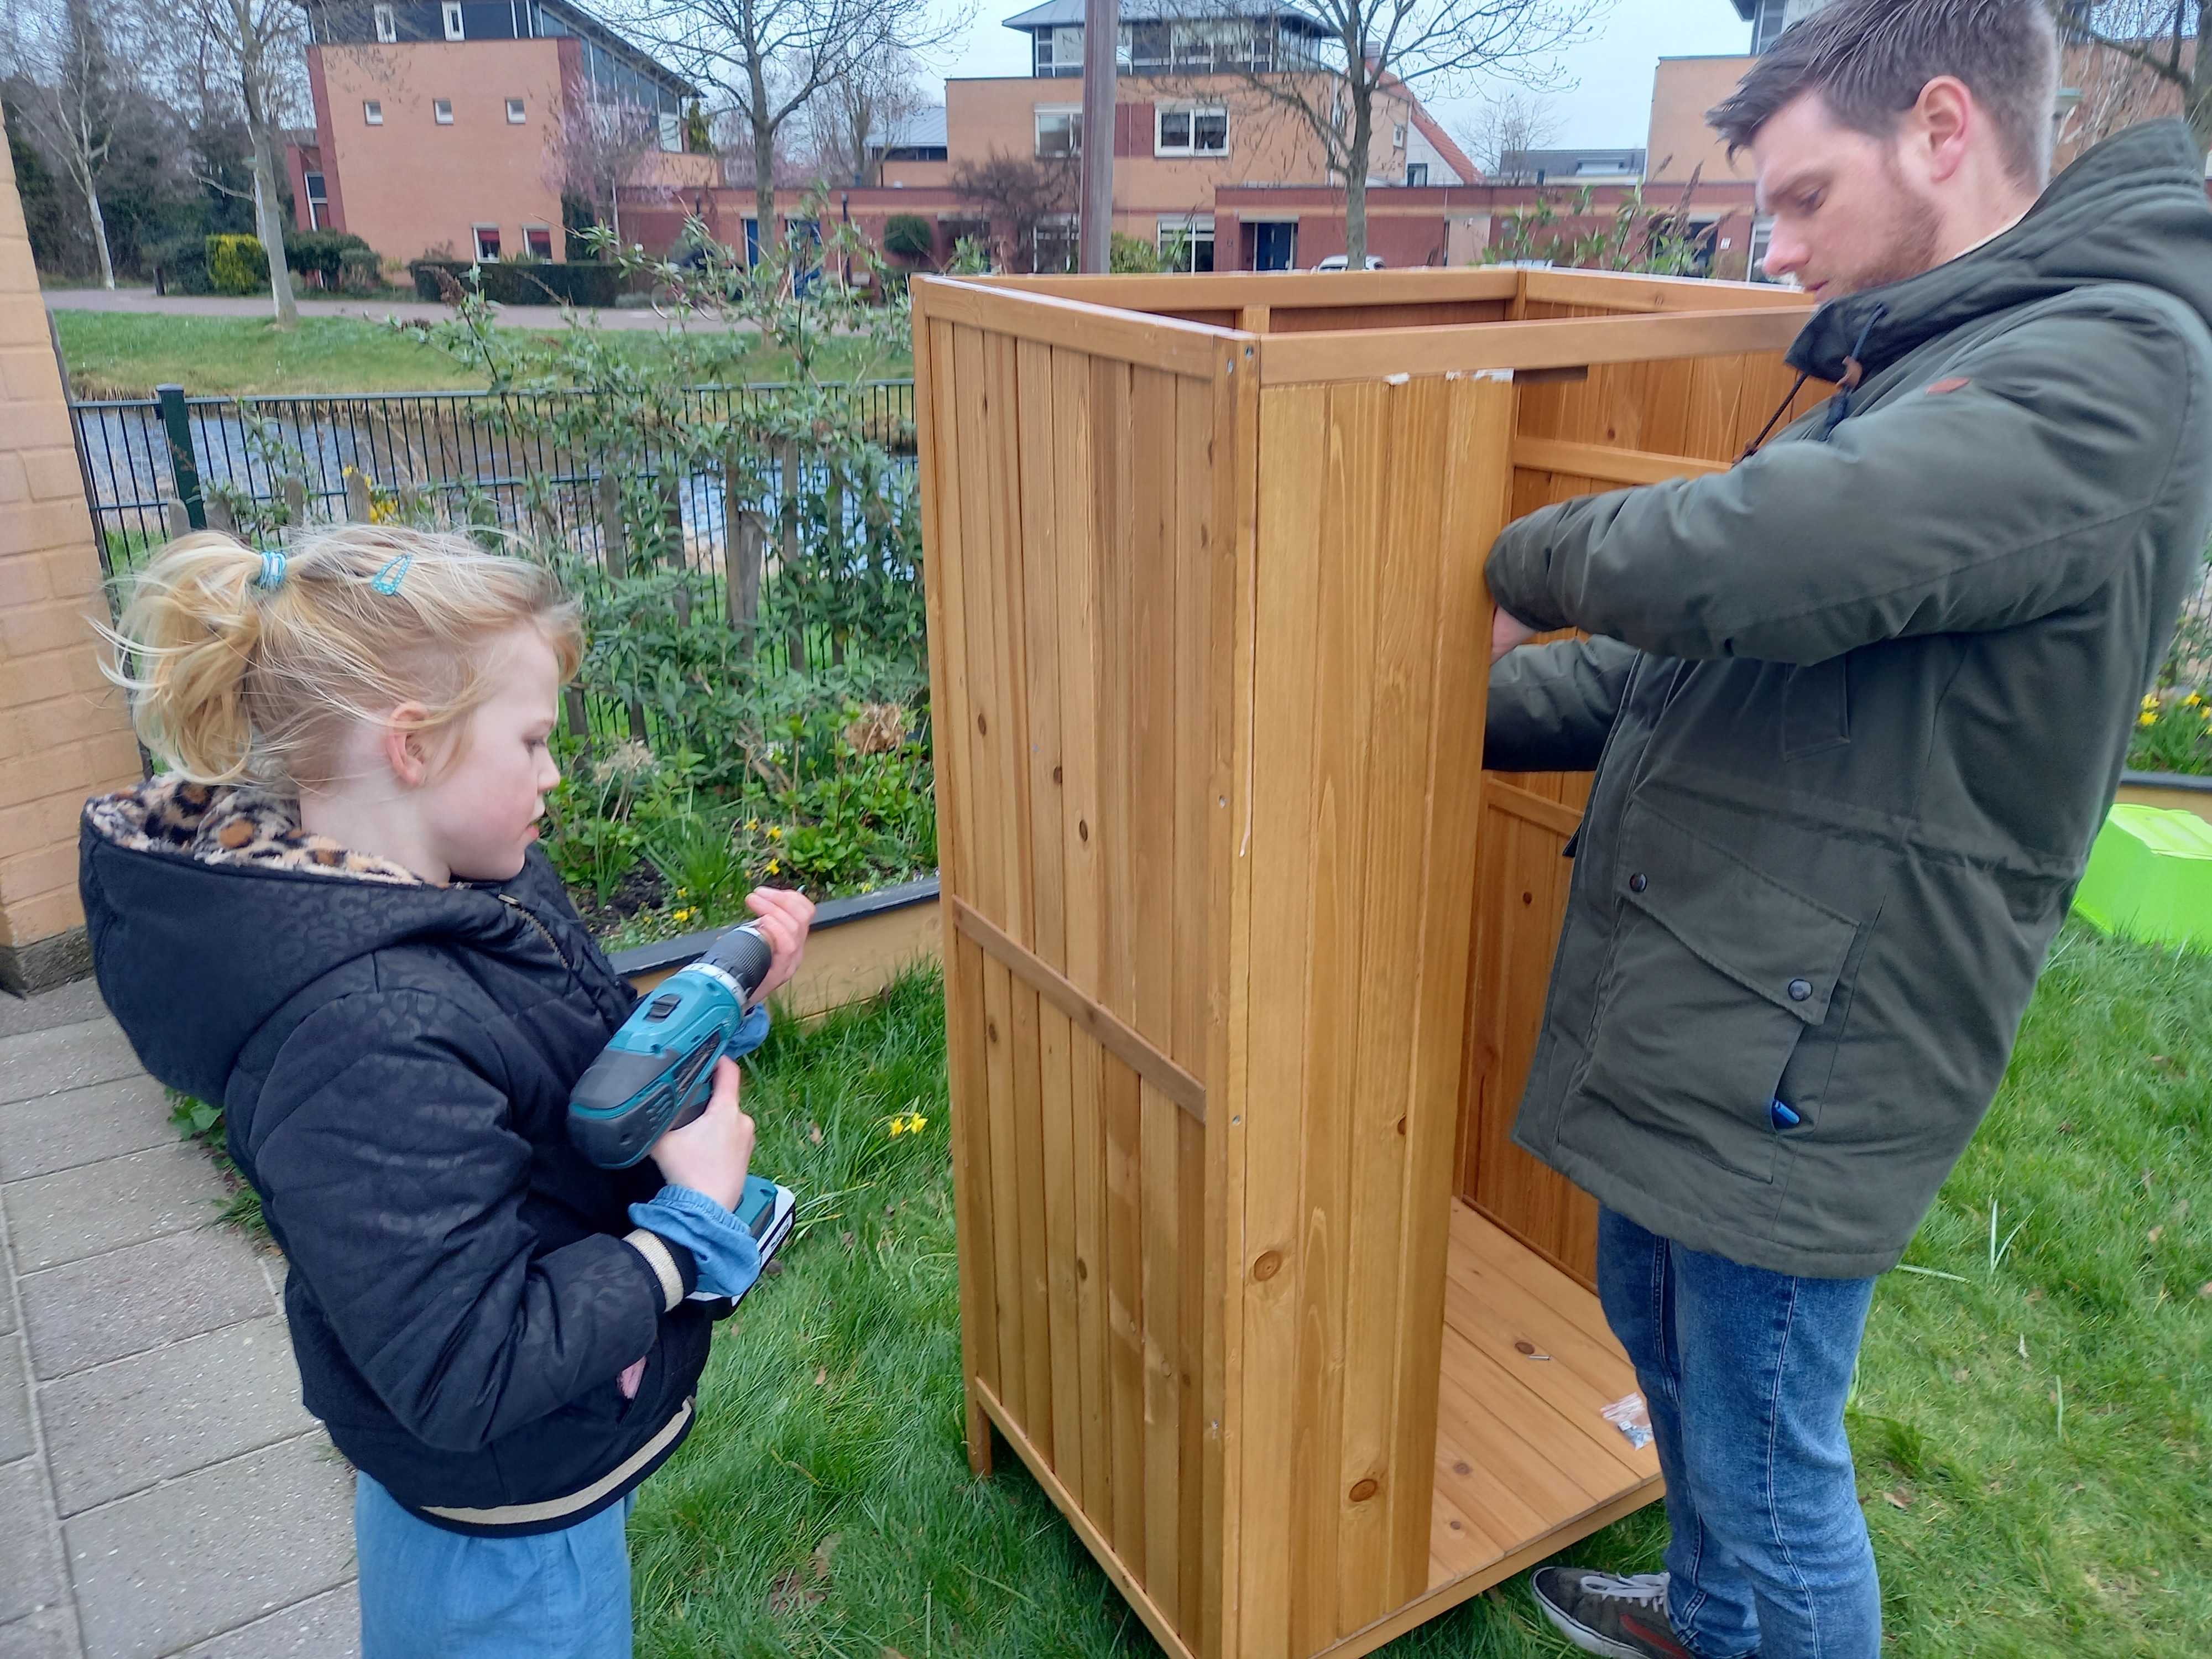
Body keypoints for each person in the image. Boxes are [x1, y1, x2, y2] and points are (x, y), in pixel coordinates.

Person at [1480, 4, 2212, 1657]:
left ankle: (1750, 1603)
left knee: (1764, 1450)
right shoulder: (1944, 348)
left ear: (1943, 129)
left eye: (1804, 197)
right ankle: (1709, 1610)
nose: (1772, 241)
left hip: (1822, 1035)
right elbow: (1698, 676)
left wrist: (1511, 563)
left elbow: (1764, 558)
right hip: (1728, 989)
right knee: (1662, 1337)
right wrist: (1419, 707)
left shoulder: (2111, 365)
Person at [78, 524, 816, 1658]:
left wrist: (725, 992)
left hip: (543, 1461)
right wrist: (689, 1227)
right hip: (503, 1532)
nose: (554, 775)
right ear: (413, 747)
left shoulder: (463, 882)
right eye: (531, 741)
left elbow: (555, 1043)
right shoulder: (359, 1035)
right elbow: (468, 1368)